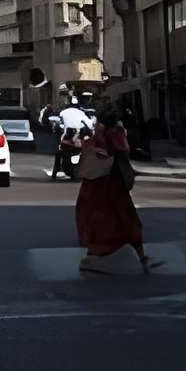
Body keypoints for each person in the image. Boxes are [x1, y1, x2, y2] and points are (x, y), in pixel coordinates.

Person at [75, 110, 154, 276]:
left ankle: (92, 256)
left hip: (102, 184)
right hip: (111, 183)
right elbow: (123, 150)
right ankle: (140, 256)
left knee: (102, 221)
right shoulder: (113, 134)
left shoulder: (100, 135)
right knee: (124, 220)